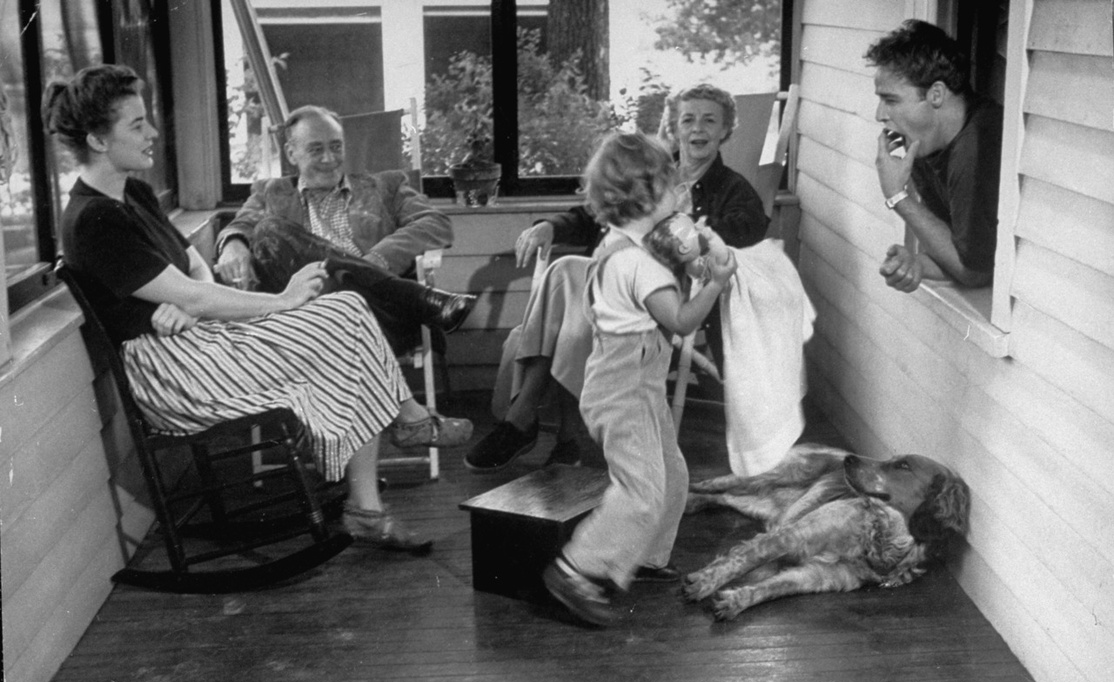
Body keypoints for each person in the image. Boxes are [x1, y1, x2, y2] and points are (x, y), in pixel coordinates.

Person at [47, 64, 472, 554]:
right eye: (138, 124)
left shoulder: (134, 194)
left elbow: (192, 270)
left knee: (349, 308)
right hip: (174, 370)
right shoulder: (93, 219)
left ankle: (374, 492)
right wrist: (275, 300)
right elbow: (192, 291)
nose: (153, 134)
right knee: (344, 328)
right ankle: (393, 454)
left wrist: (187, 303)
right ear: (98, 140)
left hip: (197, 337)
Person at [465, 83, 769, 472]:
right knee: (564, 273)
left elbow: (747, 231)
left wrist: (684, 228)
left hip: (661, 297)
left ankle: (534, 423)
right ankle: (547, 430)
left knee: (574, 311)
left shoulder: (732, 189)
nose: (697, 128)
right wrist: (551, 227)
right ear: (673, 127)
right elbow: (594, 212)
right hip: (616, 285)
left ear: (725, 130)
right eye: (688, 119)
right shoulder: (654, 170)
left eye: (709, 120)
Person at [541, 132, 738, 626]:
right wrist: (715, 282)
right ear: (646, 197)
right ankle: (576, 568)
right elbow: (683, 321)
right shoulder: (636, 263)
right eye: (673, 186)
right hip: (622, 390)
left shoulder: (627, 243)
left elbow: (669, 268)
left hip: (637, 383)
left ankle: (643, 556)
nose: (682, 194)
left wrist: (694, 259)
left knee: (672, 476)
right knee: (641, 489)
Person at [214, 104, 476, 353]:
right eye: (316, 149)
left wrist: (375, 261)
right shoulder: (271, 194)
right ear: (291, 153)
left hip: (375, 319)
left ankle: (381, 289)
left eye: (336, 146)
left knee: (271, 232)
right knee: (268, 229)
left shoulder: (386, 187)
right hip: (304, 320)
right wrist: (233, 242)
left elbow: (435, 223)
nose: (329, 158)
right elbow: (242, 224)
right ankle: (417, 297)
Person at [866, 19, 1003, 293]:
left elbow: (974, 272)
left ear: (936, 94)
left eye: (891, 100)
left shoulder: (978, 145)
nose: (880, 115)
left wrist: (898, 197)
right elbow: (953, 248)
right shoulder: (924, 140)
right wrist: (918, 263)